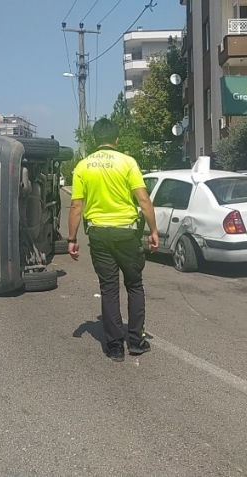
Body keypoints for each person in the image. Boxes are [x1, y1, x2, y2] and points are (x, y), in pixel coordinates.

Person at [67, 118, 159, 362]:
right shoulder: (128, 163)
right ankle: (137, 342)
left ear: (95, 140)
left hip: (97, 233)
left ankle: (115, 346)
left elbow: (76, 205)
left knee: (108, 288)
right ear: (116, 139)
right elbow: (144, 200)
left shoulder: (83, 166)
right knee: (134, 285)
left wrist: (72, 238)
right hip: (127, 233)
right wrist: (153, 231)